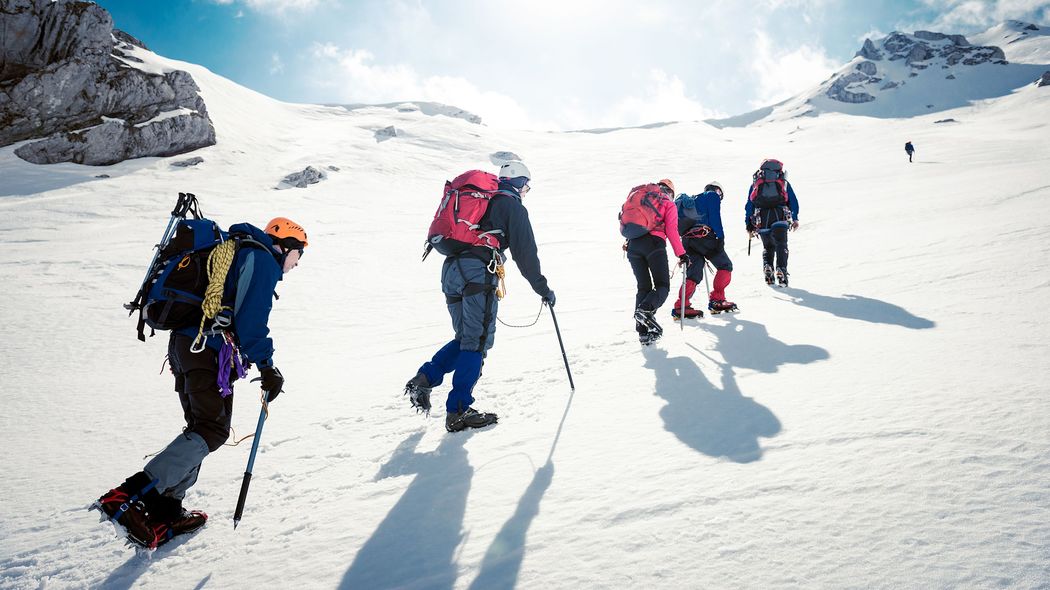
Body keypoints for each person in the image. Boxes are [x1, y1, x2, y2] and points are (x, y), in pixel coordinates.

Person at [95, 217, 308, 548]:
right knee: (211, 429)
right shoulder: (262, 258)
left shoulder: (238, 251)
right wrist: (267, 365)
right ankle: (129, 495)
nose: (297, 264)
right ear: (287, 246)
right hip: (205, 349)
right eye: (300, 254)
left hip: (190, 346)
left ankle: (166, 510)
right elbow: (251, 320)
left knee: (203, 427)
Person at [405, 161, 554, 432]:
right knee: (476, 342)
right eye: (527, 186)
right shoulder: (511, 205)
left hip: (451, 270)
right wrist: (543, 288)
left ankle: (426, 378)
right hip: (477, 272)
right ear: (519, 183)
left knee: (466, 339)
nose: (526, 191)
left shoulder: (481, 200)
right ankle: (459, 411)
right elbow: (526, 254)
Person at [625, 179, 687, 344]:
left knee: (643, 287)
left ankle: (643, 332)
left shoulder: (642, 196)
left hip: (633, 245)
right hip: (654, 244)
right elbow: (672, 231)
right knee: (662, 286)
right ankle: (645, 312)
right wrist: (682, 254)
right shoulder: (668, 203)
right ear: (671, 192)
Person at [672, 181, 738, 318]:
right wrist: (720, 237)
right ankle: (717, 300)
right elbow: (715, 218)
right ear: (717, 190)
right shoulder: (712, 196)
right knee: (725, 265)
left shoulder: (692, 201)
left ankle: (681, 305)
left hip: (687, 241)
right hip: (705, 237)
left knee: (694, 272)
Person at [744, 160, 799, 287]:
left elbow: (749, 204)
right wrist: (795, 217)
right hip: (780, 214)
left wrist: (749, 223)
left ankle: (768, 267)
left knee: (768, 247)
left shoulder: (756, 182)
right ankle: (781, 270)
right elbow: (793, 200)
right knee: (781, 243)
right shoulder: (782, 181)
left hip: (762, 218)